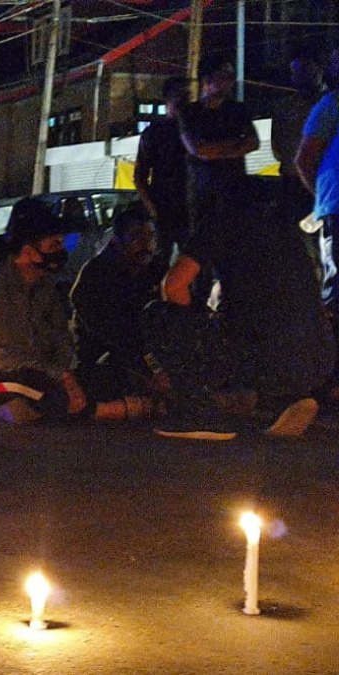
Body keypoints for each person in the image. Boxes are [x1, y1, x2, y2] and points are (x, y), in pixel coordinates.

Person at [150, 180, 334, 439]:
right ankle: (283, 400)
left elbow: (173, 285)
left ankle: (200, 412)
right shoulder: (285, 229)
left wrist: (195, 327)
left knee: (159, 314)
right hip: (319, 359)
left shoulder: (218, 223)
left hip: (263, 356)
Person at [0, 198, 86, 424]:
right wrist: (61, 375)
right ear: (28, 251)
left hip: (36, 373)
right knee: (35, 390)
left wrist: (63, 372)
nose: (61, 251)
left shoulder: (46, 287)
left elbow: (62, 339)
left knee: (90, 377)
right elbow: (5, 359)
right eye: (54, 246)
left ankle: (55, 405)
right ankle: (95, 409)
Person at [68, 204, 165, 415]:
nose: (146, 244)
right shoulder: (96, 276)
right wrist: (150, 369)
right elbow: (112, 335)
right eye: (137, 236)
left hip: (145, 355)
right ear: (117, 240)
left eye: (151, 236)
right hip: (102, 357)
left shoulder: (155, 270)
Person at [296, 49, 339, 402]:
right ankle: (329, 377)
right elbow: (304, 159)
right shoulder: (331, 105)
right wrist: (325, 202)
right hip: (338, 210)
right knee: (337, 295)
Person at [179, 57, 258, 246]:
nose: (230, 81)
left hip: (235, 190)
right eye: (223, 76)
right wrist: (235, 146)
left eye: (231, 76)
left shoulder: (238, 110)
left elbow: (253, 142)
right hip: (203, 193)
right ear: (207, 80)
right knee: (202, 245)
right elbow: (198, 149)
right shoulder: (190, 112)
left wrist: (215, 150)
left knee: (236, 244)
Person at [134, 76, 190, 271]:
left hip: (190, 211)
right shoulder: (154, 133)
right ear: (167, 98)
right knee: (158, 266)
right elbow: (140, 175)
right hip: (164, 210)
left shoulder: (195, 130)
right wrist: (153, 209)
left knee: (194, 268)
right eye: (179, 95)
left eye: (187, 95)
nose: (184, 99)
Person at [273, 49, 325, 226]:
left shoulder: (332, 104)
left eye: (306, 69)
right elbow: (278, 147)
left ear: (320, 69)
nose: (300, 76)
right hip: (292, 184)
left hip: (325, 184)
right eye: (295, 72)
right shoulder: (284, 107)